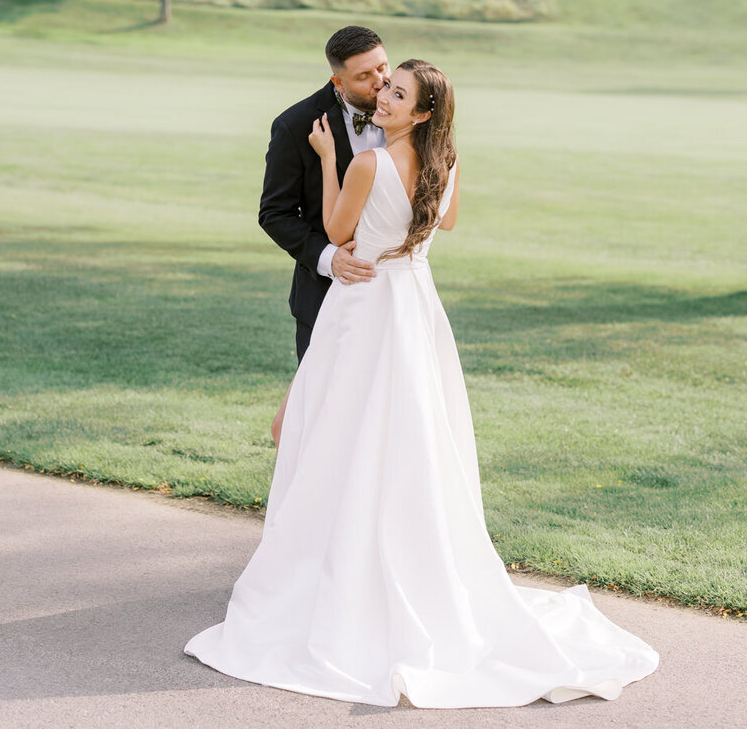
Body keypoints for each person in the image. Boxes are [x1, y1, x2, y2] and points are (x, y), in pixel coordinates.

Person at [184, 59, 659, 708]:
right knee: (407, 433)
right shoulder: (447, 161)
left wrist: (327, 157)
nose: (383, 96)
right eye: (384, 86)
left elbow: (334, 231)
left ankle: (337, 567)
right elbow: (449, 223)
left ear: (422, 112)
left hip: (366, 304)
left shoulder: (366, 164)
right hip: (414, 304)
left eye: (397, 93)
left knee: (341, 430)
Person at [258, 25, 389, 443]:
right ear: (338, 81)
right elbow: (275, 213)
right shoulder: (296, 125)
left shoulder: (407, 113)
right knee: (315, 420)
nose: (381, 82)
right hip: (323, 294)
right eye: (364, 76)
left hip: (391, 293)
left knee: (380, 417)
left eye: (383, 67)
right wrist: (328, 257)